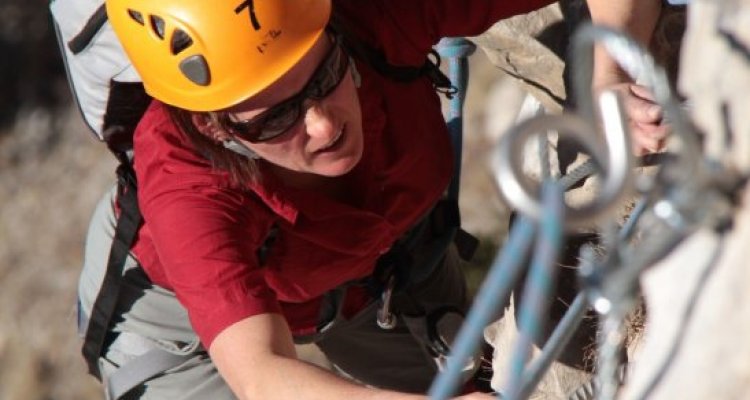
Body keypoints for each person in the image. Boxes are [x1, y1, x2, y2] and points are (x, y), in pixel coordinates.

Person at [77, 0, 557, 399]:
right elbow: (261, 375)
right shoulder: (188, 188)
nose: (323, 125)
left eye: (325, 75)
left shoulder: (371, 17)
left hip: (372, 264)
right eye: (273, 119)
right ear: (215, 127)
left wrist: (609, 79)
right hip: (178, 317)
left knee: (475, 385)